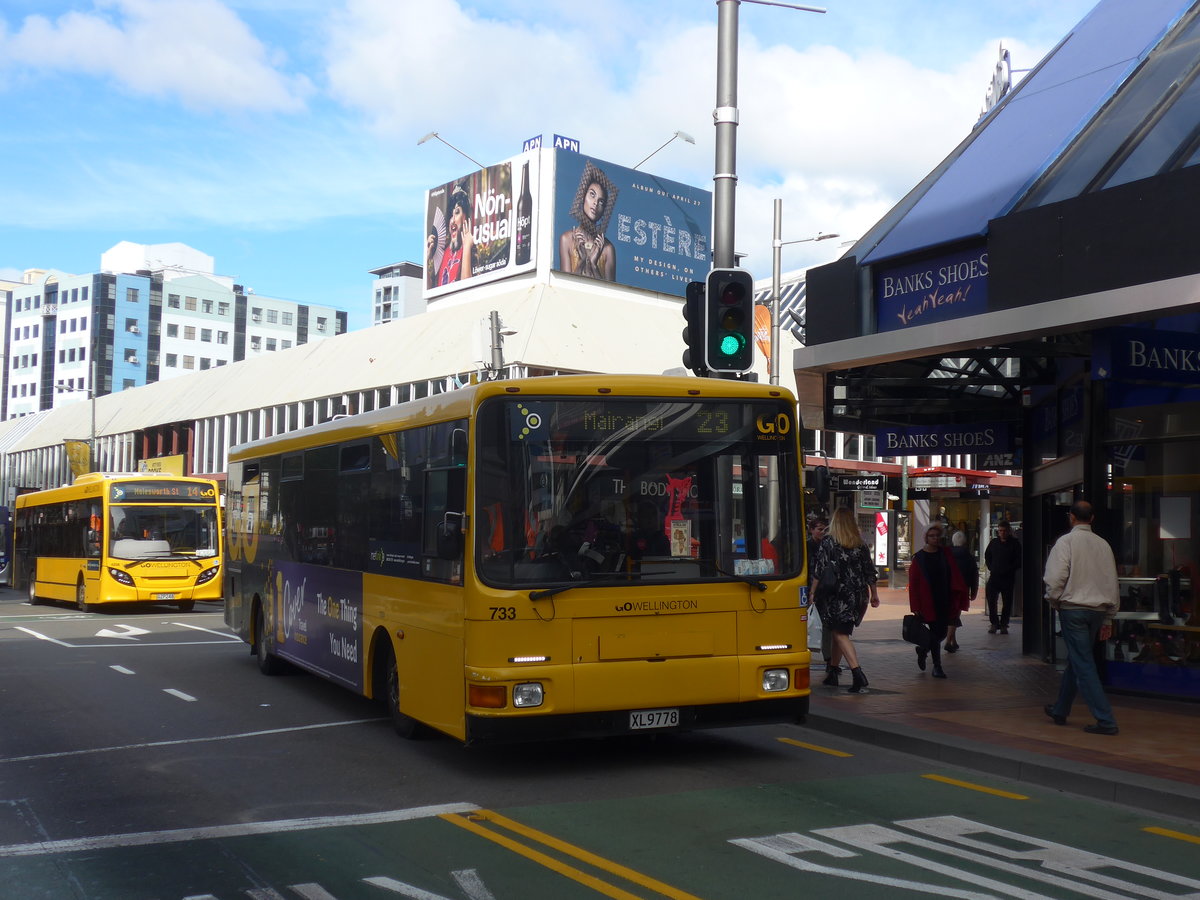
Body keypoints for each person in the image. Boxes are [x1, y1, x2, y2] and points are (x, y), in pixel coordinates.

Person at [1042, 500, 1121, 735]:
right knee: (1079, 660)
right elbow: (1111, 581)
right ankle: (1060, 709)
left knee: (1083, 663)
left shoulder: (1065, 542)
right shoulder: (1103, 545)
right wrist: (1108, 617)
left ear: (1071, 517)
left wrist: (1054, 600)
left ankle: (1106, 720)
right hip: (1097, 611)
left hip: (1073, 608)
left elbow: (1055, 578)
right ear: (1092, 518)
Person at [812, 508, 880, 692]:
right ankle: (833, 672)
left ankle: (858, 674)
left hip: (837, 593)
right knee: (840, 632)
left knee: (840, 634)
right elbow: (870, 571)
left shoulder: (828, 542)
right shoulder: (860, 544)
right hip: (858, 594)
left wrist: (811, 593)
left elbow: (819, 569)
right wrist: (874, 594)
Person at [908, 523, 970, 678]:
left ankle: (923, 650)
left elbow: (954, 574)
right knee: (936, 633)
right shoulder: (919, 558)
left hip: (945, 599)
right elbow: (914, 584)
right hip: (927, 601)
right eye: (931, 536)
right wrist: (915, 606)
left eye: (937, 536)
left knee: (941, 632)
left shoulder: (946, 554)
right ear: (926, 538)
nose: (935, 539)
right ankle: (937, 666)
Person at [558, 161, 617, 281]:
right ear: (583, 196)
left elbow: (610, 294)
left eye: (601, 201)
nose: (595, 203)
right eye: (592, 195)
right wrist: (582, 261)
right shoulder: (567, 239)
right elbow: (565, 287)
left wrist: (593, 265)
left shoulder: (607, 249)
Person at [805, 517, 837, 682]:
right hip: (809, 590)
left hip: (825, 591)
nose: (822, 532)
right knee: (809, 624)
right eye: (819, 529)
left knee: (826, 627)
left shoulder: (830, 546)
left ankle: (829, 661)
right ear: (811, 530)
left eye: (825, 529)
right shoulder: (806, 546)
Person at [428, 184, 474, 287]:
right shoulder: (442, 252)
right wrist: (427, 256)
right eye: (450, 215)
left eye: (457, 213)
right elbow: (430, 290)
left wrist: (466, 247)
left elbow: (467, 290)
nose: (452, 220)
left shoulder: (472, 250)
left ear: (466, 218)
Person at [984, 520, 1022, 634]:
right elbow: (987, 556)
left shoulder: (1015, 544)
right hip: (994, 576)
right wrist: (992, 567)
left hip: (1008, 577)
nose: (1002, 533)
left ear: (1009, 531)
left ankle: (1004, 624)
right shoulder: (994, 543)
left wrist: (1009, 569)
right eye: (1000, 531)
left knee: (1007, 602)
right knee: (991, 601)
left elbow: (1018, 560)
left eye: (1004, 531)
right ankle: (994, 623)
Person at [947, 530, 978, 652]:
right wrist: (974, 591)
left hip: (948, 588)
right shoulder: (969, 556)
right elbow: (974, 575)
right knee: (955, 615)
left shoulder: (947, 555)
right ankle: (948, 641)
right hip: (963, 589)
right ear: (964, 542)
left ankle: (953, 641)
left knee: (951, 614)